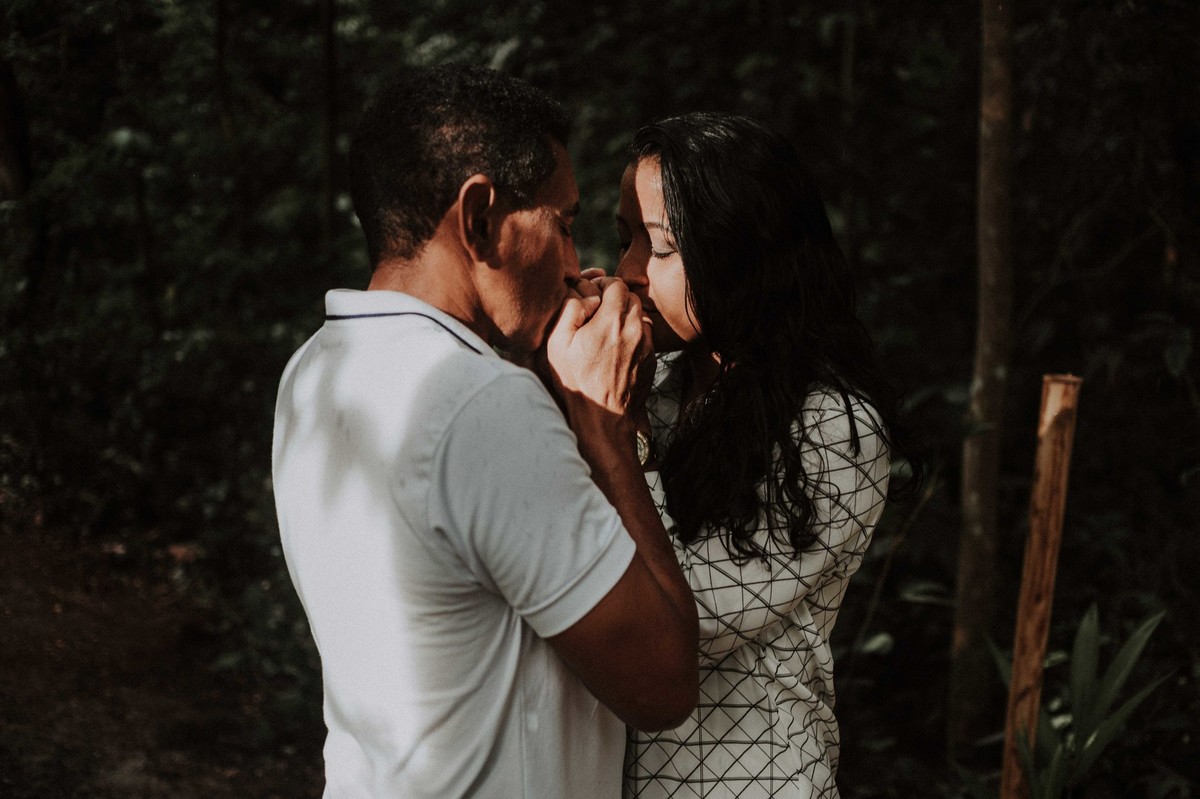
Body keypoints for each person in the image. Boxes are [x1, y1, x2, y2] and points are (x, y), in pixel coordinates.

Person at [271, 64, 698, 799]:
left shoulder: (313, 371)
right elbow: (663, 686)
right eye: (563, 226)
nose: (576, 266)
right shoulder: (483, 403)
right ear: (477, 217)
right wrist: (603, 427)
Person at [614, 112, 910, 798]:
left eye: (661, 247)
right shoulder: (656, 385)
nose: (628, 272)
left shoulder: (833, 424)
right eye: (624, 238)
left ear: (740, 248)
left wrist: (618, 434)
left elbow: (685, 624)